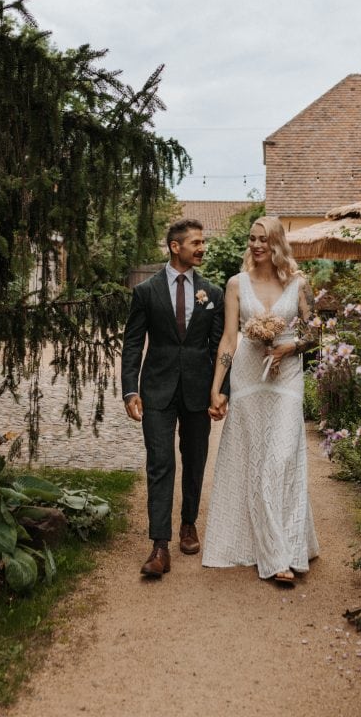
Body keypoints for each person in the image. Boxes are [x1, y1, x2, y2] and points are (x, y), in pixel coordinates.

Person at [202, 216, 320, 582]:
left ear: (277, 245)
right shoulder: (236, 284)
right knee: (257, 459)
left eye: (263, 240)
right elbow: (229, 339)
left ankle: (288, 544)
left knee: (282, 456)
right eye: (252, 239)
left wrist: (291, 346)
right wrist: (217, 386)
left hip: (286, 379)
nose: (256, 245)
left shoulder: (300, 284)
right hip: (249, 379)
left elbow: (315, 333)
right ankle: (277, 557)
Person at [121, 218, 227, 578]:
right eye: (195, 243)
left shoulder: (212, 293)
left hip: (198, 391)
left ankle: (188, 523)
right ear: (175, 247)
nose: (202, 248)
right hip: (158, 389)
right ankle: (159, 546)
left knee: (195, 460)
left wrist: (220, 390)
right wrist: (130, 389)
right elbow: (133, 343)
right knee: (160, 462)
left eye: (202, 242)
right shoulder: (146, 292)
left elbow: (218, 347)